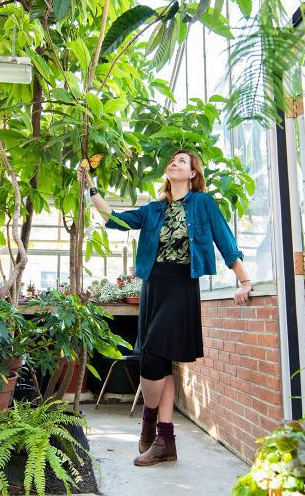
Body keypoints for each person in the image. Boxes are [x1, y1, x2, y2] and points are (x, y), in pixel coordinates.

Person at [77, 149, 252, 467]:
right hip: (153, 286)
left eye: (182, 161)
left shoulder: (203, 204)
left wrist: (244, 280)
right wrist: (91, 187)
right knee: (158, 363)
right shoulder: (154, 209)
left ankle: (148, 423)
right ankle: (165, 439)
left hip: (182, 284)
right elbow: (113, 219)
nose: (174, 163)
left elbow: (225, 241)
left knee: (154, 354)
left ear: (193, 174)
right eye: (172, 160)